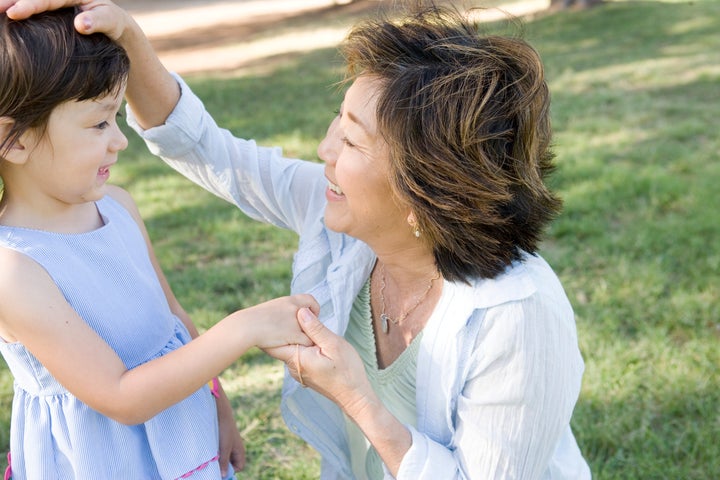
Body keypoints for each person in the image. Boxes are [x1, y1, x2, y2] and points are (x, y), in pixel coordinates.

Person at [2, 0, 593, 478]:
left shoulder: (516, 314)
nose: (324, 150)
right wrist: (127, 36)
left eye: (354, 142)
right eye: (339, 121)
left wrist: (359, 399)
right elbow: (210, 152)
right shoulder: (342, 211)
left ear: (426, 192)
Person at [0, 7, 318, 480]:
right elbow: (121, 397)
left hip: (180, 439)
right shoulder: (14, 269)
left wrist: (217, 406)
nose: (120, 140)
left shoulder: (118, 207)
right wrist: (243, 329)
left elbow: (174, 325)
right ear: (16, 140)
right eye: (98, 124)